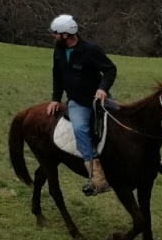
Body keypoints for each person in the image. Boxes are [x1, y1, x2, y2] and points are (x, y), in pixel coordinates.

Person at [45, 14, 116, 196]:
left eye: (56, 33)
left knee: (125, 118)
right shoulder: (58, 51)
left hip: (99, 99)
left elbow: (110, 69)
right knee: (80, 129)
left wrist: (103, 89)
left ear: (66, 35)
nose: (54, 36)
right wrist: (55, 98)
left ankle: (153, 160)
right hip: (77, 103)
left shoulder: (90, 50)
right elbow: (57, 75)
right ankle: (98, 176)